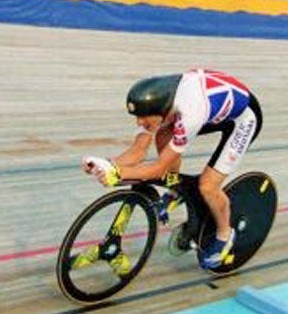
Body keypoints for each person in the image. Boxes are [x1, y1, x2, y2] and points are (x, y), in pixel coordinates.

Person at [81, 69, 262, 270]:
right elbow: (138, 152)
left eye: (144, 118)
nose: (139, 123)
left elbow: (158, 169)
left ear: (162, 109)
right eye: (137, 117)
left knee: (208, 186)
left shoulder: (191, 113)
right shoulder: (155, 104)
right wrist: (106, 164)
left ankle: (225, 235)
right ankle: (176, 189)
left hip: (243, 119)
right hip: (213, 107)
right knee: (162, 136)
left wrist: (119, 174)